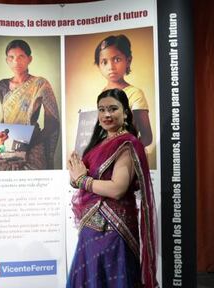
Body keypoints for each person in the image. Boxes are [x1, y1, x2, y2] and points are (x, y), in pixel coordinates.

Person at [67, 89, 158, 287]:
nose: (107, 115)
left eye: (113, 109)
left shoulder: (128, 144)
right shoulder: (98, 144)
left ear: (125, 112)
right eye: (102, 110)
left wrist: (82, 180)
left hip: (114, 229)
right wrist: (76, 176)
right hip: (91, 228)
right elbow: (82, 179)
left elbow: (118, 188)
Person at [0, 39, 59, 170]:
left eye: (21, 57)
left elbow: (52, 124)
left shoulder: (40, 84)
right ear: (6, 60)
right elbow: (5, 119)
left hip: (32, 144)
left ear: (29, 59)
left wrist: (26, 146)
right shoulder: (2, 85)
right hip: (8, 147)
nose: (16, 62)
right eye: (11, 57)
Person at [95, 34, 153, 147]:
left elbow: (147, 137)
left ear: (128, 61)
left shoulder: (135, 94)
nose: (110, 66)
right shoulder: (102, 94)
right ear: (99, 66)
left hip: (128, 156)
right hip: (106, 156)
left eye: (117, 59)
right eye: (104, 62)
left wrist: (128, 150)